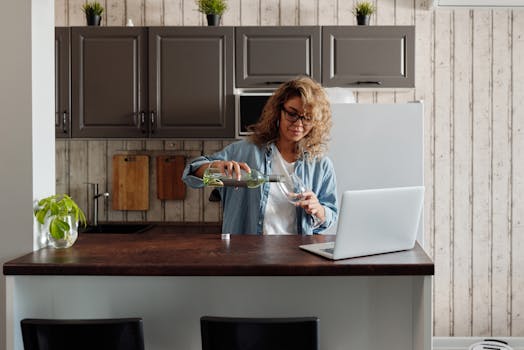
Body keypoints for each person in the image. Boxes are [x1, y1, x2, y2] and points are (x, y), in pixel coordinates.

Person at [182, 76, 337, 235]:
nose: (298, 123)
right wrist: (214, 168)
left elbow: (330, 215)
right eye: (292, 114)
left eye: (307, 118)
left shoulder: (321, 165)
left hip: (295, 255)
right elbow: (191, 176)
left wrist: (319, 210)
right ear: (278, 112)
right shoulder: (245, 151)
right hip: (247, 254)